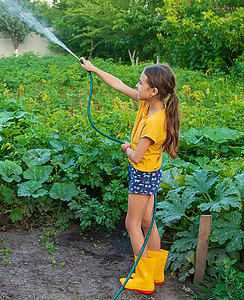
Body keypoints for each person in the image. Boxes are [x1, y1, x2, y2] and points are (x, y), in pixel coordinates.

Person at [80, 59, 180, 295]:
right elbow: (119, 85)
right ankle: (155, 273)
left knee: (132, 224)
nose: (137, 85)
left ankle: (143, 278)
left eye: (141, 82)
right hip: (151, 173)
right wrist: (94, 69)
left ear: (153, 91)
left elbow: (137, 157)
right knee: (147, 222)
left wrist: (126, 148)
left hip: (142, 175)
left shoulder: (154, 123)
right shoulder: (150, 106)